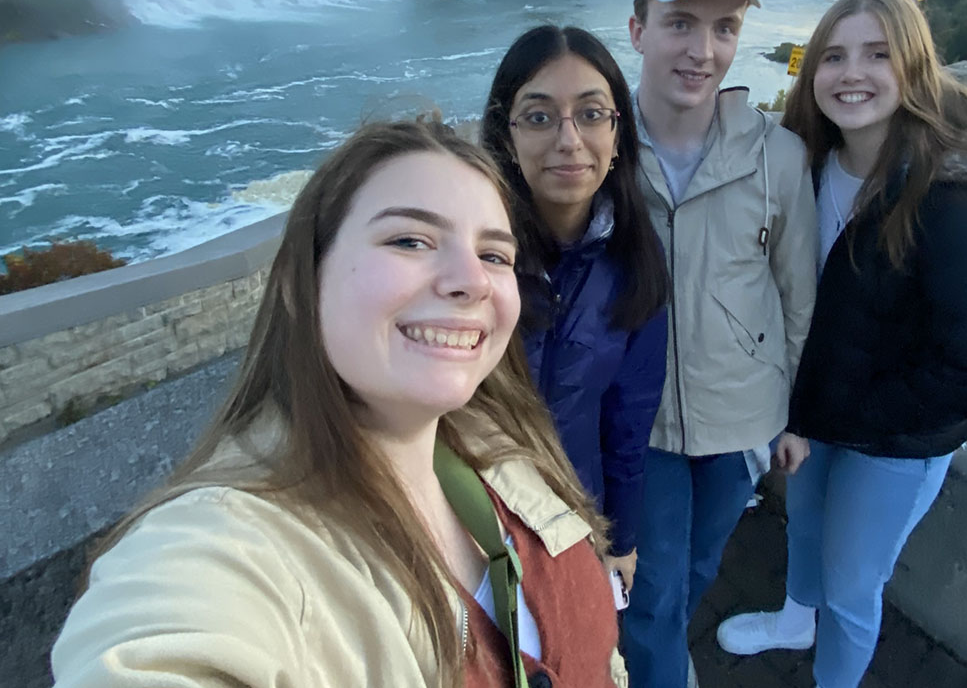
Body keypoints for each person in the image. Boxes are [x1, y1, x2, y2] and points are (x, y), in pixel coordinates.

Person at [52, 121, 628, 688]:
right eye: (409, 240)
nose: (472, 281)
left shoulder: (499, 443)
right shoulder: (230, 552)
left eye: (495, 255)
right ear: (301, 282)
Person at [716, 0, 967, 688]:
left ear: (913, 69)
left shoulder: (952, 197)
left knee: (854, 582)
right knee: (805, 522)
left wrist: (824, 417)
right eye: (833, 56)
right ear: (812, 71)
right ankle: (797, 619)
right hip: (824, 410)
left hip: (897, 436)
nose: (851, 73)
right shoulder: (807, 163)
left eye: (876, 55)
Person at [620, 0, 819, 688]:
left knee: (697, 566)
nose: (703, 49)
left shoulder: (779, 157)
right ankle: (660, 666)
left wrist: (795, 416)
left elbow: (798, 294)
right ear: (638, 31)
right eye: (680, 23)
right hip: (638, 424)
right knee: (653, 587)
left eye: (726, 28)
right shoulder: (596, 149)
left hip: (742, 416)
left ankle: (659, 652)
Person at [480, 24, 669, 597]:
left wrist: (621, 538)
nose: (569, 139)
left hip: (572, 516)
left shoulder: (635, 256)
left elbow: (628, 419)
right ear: (507, 136)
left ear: (618, 133)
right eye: (539, 117)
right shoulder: (470, 253)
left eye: (591, 115)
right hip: (470, 522)